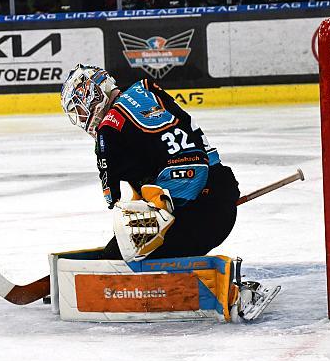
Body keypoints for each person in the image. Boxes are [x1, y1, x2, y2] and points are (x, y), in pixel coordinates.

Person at [60, 64, 240, 261]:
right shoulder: (146, 89)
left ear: (92, 96)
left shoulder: (108, 131)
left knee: (117, 259)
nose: (82, 116)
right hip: (223, 192)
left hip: (196, 217)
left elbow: (112, 198)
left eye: (79, 107)